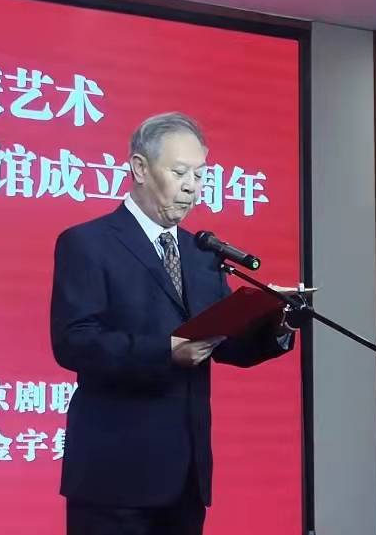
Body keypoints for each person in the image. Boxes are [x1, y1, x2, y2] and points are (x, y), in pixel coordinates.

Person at [50, 112, 299, 535]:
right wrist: (166, 352)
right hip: (114, 478)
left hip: (186, 478)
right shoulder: (88, 243)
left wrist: (279, 322)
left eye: (200, 175)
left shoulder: (202, 254)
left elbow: (229, 345)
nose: (192, 187)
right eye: (180, 172)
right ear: (140, 168)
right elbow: (74, 342)